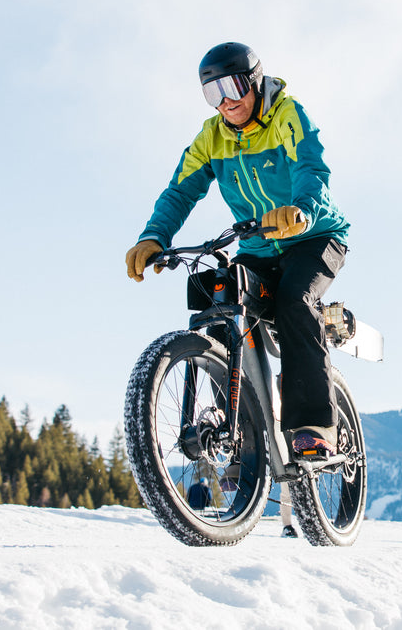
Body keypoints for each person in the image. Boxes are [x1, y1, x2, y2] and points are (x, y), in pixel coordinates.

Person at [125, 42, 350, 458]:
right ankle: (236, 430)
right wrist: (154, 236)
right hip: (258, 246)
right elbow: (180, 191)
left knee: (295, 302)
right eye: (213, 94)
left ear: (254, 80)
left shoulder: (287, 113)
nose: (225, 102)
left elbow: (311, 169)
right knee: (219, 304)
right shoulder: (211, 138)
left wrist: (301, 211)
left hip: (314, 236)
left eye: (231, 87)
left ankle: (314, 425)